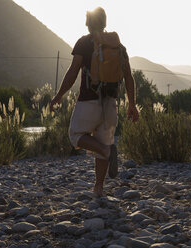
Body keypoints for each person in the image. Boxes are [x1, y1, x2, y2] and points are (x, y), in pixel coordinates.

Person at [50, 7, 139, 197]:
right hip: (110, 104)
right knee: (103, 141)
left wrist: (59, 95)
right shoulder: (119, 47)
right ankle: (98, 188)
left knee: (75, 135)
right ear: (105, 23)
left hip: (88, 101)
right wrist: (132, 105)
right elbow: (129, 77)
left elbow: (73, 72)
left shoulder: (84, 42)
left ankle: (106, 151)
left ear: (88, 23)